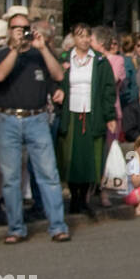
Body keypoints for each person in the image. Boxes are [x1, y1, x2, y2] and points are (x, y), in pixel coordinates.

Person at [0, 6, 69, 243]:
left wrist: (43, 48)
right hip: (8, 119)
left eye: (26, 29)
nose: (22, 33)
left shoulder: (39, 55)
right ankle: (15, 228)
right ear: (9, 31)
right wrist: (15, 49)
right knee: (11, 177)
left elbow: (58, 76)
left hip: (37, 119)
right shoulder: (0, 54)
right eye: (18, 29)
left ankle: (57, 225)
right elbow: (0, 76)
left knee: (49, 174)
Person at [55, 24, 117, 221]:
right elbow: (56, 81)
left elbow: (108, 91)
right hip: (71, 113)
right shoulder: (65, 58)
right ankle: (74, 197)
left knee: (90, 156)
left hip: (92, 113)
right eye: (79, 36)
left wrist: (110, 116)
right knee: (72, 155)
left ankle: (85, 197)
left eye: (86, 36)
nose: (83, 40)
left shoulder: (100, 61)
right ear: (73, 38)